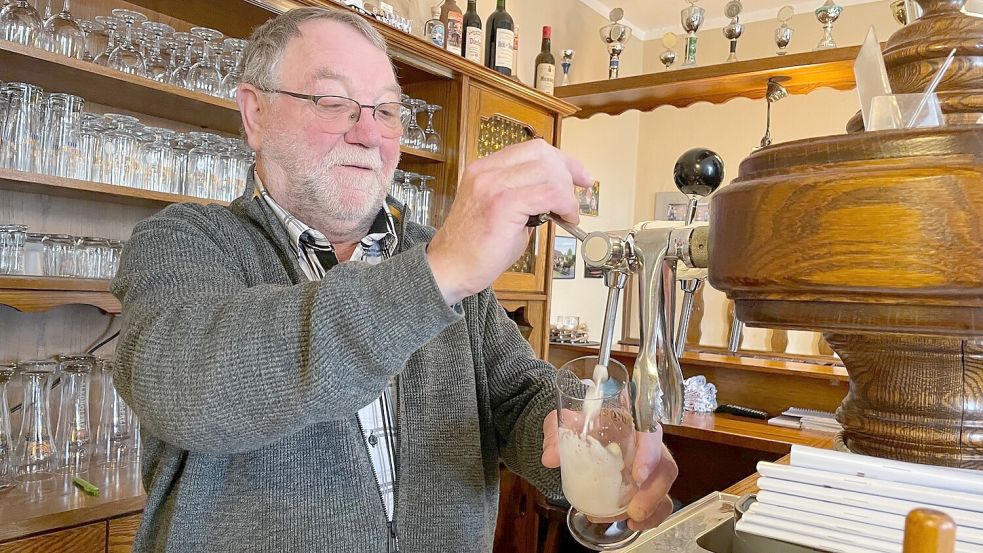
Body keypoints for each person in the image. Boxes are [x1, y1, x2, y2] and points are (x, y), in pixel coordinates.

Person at [111, 8, 677, 553]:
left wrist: (585, 444)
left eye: (386, 111)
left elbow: (520, 398)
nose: (368, 133)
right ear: (255, 113)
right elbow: (189, 391)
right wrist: (438, 272)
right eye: (334, 102)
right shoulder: (185, 242)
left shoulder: (436, 264)